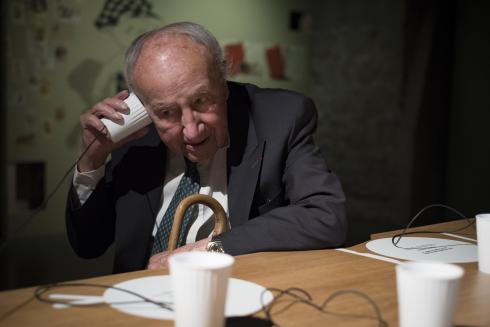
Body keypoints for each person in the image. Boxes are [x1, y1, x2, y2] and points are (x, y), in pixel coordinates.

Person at [66, 22, 346, 273]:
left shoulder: (282, 117)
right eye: (166, 113)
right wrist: (92, 161)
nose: (191, 129)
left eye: (201, 101)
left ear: (223, 81)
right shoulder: (133, 137)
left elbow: (324, 215)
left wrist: (212, 247)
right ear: (142, 106)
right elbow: (88, 245)